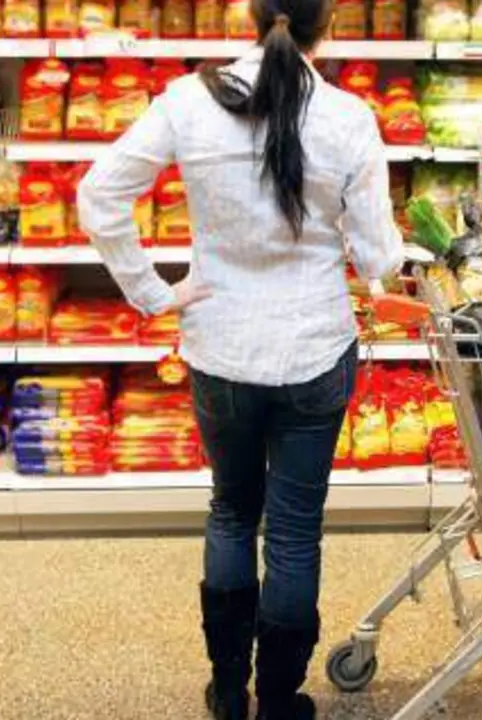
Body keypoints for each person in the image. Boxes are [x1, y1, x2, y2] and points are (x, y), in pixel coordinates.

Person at [76, 0, 404, 715]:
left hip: (220, 346)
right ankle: (281, 699)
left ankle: (229, 692)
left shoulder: (189, 101)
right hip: (315, 349)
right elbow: (380, 256)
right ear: (332, 27)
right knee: (293, 531)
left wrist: (152, 293)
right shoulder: (348, 118)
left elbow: (99, 195)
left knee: (230, 511)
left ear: (249, 17)